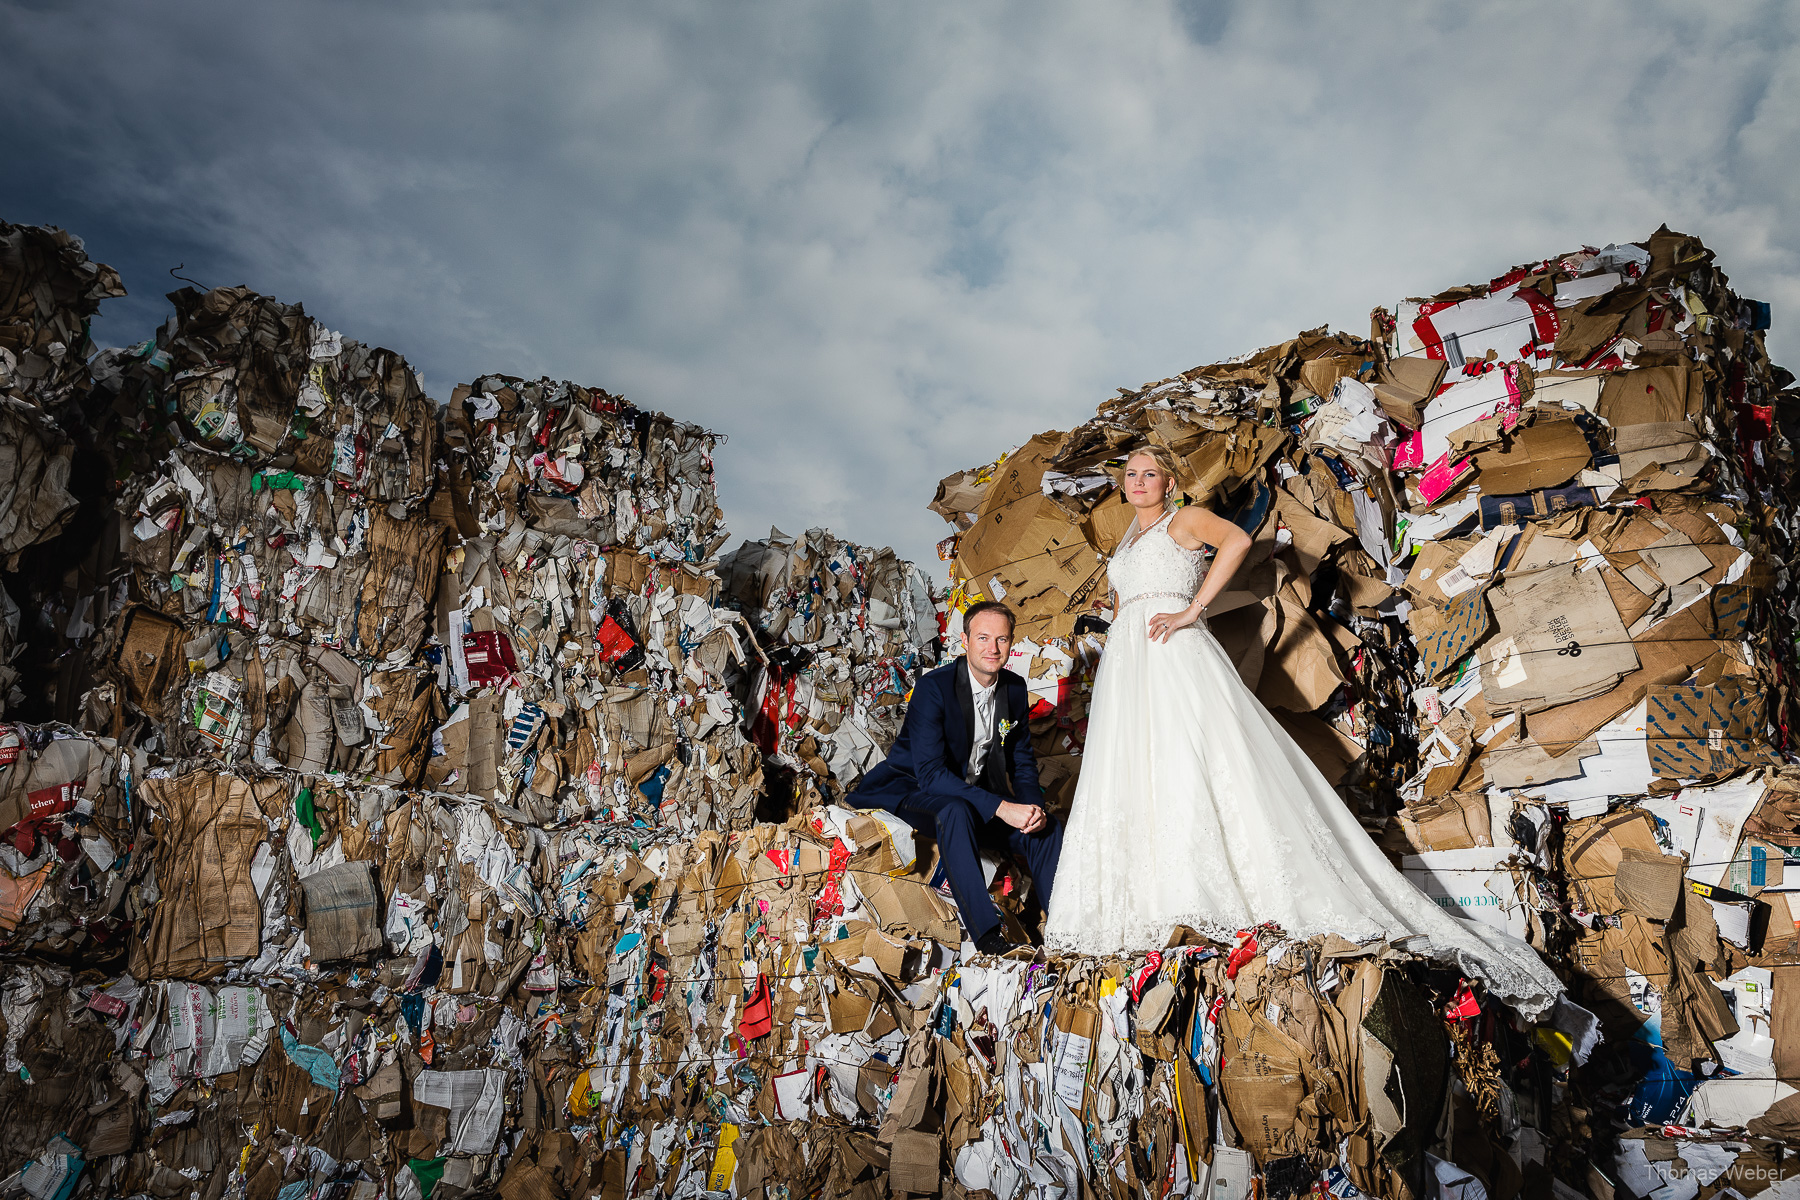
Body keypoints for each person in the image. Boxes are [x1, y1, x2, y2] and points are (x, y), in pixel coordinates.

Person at [1042, 446, 1560, 1014]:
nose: (1139, 482)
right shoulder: (1127, 540)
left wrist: (1192, 611)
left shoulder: (1183, 519)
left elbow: (1238, 542)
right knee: (1139, 772)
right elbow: (1124, 603)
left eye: (1150, 474)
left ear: (1167, 482)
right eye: (1131, 475)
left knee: (1196, 760)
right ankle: (1146, 905)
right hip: (1129, 665)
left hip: (1174, 652)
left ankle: (1205, 897)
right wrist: (1120, 642)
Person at [853, 601, 1064, 954]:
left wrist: (1031, 808)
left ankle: (1062, 929)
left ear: (1011, 643)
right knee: (954, 810)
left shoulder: (1013, 688)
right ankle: (988, 936)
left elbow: (1022, 763)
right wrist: (1001, 807)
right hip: (912, 790)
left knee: (1047, 828)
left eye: (1001, 639)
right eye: (983, 638)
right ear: (964, 640)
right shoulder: (933, 688)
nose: (992, 649)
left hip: (973, 794)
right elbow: (932, 775)